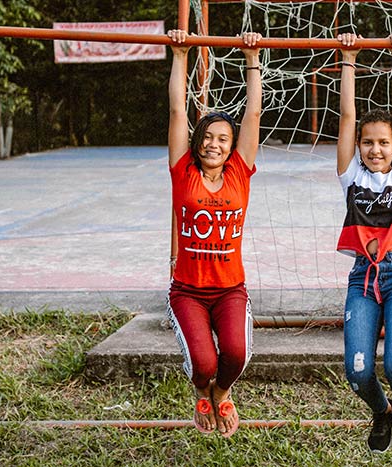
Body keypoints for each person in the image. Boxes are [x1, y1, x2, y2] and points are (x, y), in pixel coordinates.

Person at [165, 28, 262, 437]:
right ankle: (202, 392)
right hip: (187, 289)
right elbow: (175, 113)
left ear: (233, 145)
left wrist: (252, 58)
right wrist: (180, 54)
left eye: (222, 138)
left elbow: (254, 114)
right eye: (207, 136)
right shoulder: (182, 170)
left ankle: (221, 394)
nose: (213, 143)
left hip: (229, 289)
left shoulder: (240, 171)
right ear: (197, 141)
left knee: (236, 357)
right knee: (203, 364)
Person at [335, 32, 392, 455]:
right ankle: (382, 410)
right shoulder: (351, 176)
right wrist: (349, 59)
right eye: (368, 143)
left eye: (383, 142)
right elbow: (347, 116)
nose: (375, 149)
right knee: (357, 371)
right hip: (362, 279)